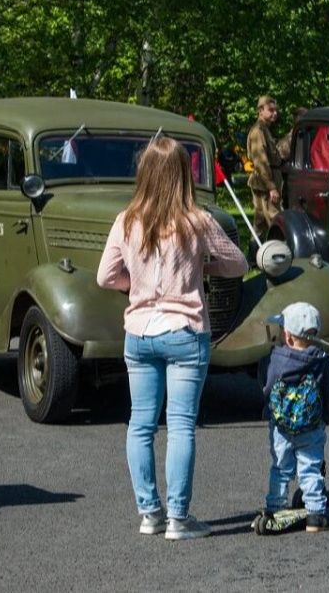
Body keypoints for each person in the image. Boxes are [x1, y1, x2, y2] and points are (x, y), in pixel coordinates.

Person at [96, 137, 249, 540]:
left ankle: (150, 513)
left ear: (143, 173)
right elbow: (238, 264)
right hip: (184, 331)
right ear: (183, 175)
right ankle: (179, 519)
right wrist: (204, 266)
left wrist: (138, 284)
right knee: (180, 425)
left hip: (139, 332)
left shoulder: (126, 220)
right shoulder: (196, 220)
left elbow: (105, 277)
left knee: (140, 425)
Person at [258, 302, 329, 532]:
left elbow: (265, 384)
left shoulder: (274, 359)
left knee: (280, 468)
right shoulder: (322, 362)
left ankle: (275, 507)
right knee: (310, 467)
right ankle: (315, 513)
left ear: (288, 336)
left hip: (280, 428)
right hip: (312, 428)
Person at [245, 96, 289, 238]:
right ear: (260, 110)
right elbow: (261, 161)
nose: (275, 113)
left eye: (276, 110)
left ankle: (254, 256)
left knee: (260, 224)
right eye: (271, 110)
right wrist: (271, 187)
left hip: (266, 182)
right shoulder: (258, 131)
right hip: (265, 185)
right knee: (276, 220)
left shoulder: (265, 130)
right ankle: (281, 254)